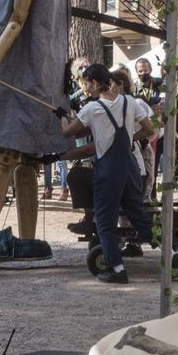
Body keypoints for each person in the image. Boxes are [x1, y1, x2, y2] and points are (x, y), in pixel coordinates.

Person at [61, 63, 155, 285]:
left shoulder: (92, 109)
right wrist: (130, 138)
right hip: (131, 168)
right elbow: (149, 130)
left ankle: (117, 268)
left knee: (104, 221)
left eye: (86, 83)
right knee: (139, 216)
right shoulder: (130, 102)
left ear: (94, 83)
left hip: (108, 171)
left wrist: (61, 117)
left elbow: (67, 132)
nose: (85, 88)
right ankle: (172, 256)